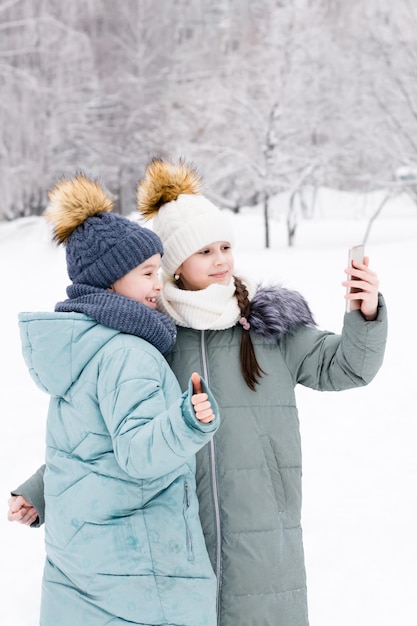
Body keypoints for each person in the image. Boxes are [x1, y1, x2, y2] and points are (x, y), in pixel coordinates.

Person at [9, 160, 388, 626]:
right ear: (173, 266)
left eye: (225, 246)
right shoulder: (154, 338)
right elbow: (110, 432)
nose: (222, 260)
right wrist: (42, 488)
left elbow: (347, 367)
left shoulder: (269, 327)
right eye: (204, 251)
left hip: (263, 535)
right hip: (182, 542)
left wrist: (365, 312)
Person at [10, 173, 220, 626]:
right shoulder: (129, 353)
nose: (157, 284)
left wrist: (40, 491)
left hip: (85, 561)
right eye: (146, 273)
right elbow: (138, 453)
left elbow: (84, 446)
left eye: (158, 271)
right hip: (137, 569)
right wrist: (187, 422)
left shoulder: (80, 348)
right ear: (109, 281)